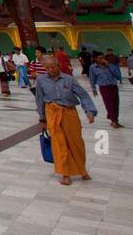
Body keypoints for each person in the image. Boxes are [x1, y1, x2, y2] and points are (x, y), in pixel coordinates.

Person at [36, 55, 96, 185]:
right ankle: (65, 173)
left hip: (69, 112)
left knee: (76, 143)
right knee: (59, 144)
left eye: (53, 67)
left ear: (59, 66)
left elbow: (83, 95)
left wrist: (89, 111)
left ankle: (82, 170)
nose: (50, 70)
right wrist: (42, 118)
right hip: (52, 112)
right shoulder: (41, 80)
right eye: (47, 68)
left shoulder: (69, 79)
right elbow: (40, 99)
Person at [88, 52, 123, 128]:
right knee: (109, 104)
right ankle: (113, 121)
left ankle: (115, 120)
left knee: (115, 104)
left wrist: (109, 66)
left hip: (113, 86)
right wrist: (93, 88)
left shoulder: (110, 65)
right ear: (95, 59)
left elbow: (118, 76)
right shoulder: (93, 68)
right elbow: (92, 78)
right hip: (104, 88)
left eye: (103, 57)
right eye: (100, 58)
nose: (102, 59)